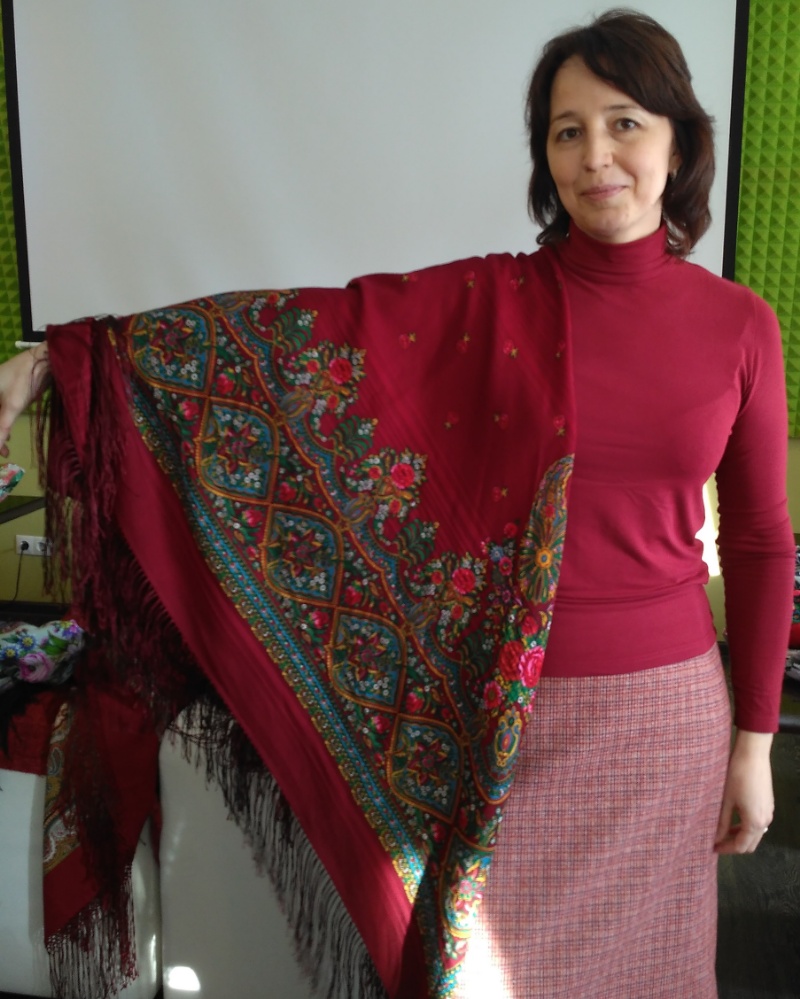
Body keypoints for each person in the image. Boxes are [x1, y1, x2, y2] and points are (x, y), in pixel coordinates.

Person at [0, 9, 793, 999]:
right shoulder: (487, 304)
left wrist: (753, 743)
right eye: (566, 131)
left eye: (624, 123)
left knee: (651, 975)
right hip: (496, 722)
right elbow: (286, 339)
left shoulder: (739, 325)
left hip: (663, 726)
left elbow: (760, 539)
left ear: (678, 143)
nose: (595, 156)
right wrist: (70, 359)